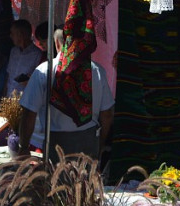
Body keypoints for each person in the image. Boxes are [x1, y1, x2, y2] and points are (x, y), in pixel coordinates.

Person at [18, 28, 114, 162]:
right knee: (86, 182)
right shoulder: (97, 70)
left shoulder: (44, 71)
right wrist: (100, 144)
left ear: (57, 43)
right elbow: (107, 114)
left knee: (56, 182)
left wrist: (23, 146)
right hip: (89, 141)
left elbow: (29, 113)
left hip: (56, 143)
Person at [4, 19, 44, 97]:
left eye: (13, 33)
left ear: (21, 35)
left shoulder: (37, 54)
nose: (10, 36)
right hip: (8, 100)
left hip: (24, 100)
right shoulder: (13, 51)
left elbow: (39, 81)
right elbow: (8, 75)